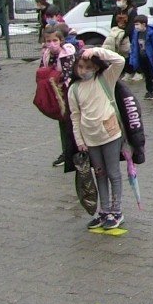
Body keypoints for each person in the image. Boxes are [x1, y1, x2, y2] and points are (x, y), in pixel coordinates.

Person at [68, 47, 127, 230]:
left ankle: (116, 211)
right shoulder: (74, 89)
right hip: (91, 138)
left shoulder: (105, 79)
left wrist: (96, 51)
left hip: (110, 134)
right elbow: (75, 116)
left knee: (113, 173)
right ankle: (104, 210)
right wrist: (79, 140)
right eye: (81, 67)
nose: (84, 71)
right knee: (99, 173)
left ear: (96, 68)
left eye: (88, 67)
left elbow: (119, 60)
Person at [40, 23, 80, 167]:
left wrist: (52, 77)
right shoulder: (46, 54)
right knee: (63, 123)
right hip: (57, 93)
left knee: (73, 122)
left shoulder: (67, 53)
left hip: (70, 92)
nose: (51, 44)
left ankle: (77, 152)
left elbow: (67, 74)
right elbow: (42, 71)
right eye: (48, 41)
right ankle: (67, 152)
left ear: (61, 41)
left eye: (54, 41)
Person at [128, 14, 153, 100]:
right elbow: (134, 46)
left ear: (144, 24)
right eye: (135, 24)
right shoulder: (136, 34)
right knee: (147, 75)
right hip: (142, 58)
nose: (136, 26)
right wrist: (133, 58)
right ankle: (149, 91)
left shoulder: (151, 34)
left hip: (151, 58)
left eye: (137, 24)